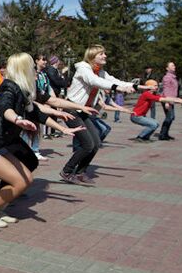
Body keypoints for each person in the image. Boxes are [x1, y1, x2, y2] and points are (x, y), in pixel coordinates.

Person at [0, 53, 84, 228]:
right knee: (20, 181)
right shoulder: (9, 87)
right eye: (32, 66)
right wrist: (16, 119)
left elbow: (38, 113)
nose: (35, 70)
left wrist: (63, 128)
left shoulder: (23, 90)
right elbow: (5, 108)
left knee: (26, 178)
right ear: (23, 69)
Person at [61, 45, 142, 184]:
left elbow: (113, 80)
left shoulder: (99, 71)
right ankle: (67, 171)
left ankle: (80, 172)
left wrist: (136, 86)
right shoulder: (83, 68)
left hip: (84, 111)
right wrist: (117, 88)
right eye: (101, 54)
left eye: (105, 53)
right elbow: (94, 81)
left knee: (96, 143)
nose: (105, 56)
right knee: (87, 144)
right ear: (92, 56)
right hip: (72, 109)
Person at [158, 61, 179, 140]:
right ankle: (162, 135)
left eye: (174, 65)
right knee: (169, 117)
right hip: (167, 100)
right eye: (172, 65)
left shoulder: (173, 76)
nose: (174, 66)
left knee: (171, 117)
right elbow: (166, 89)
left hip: (171, 100)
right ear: (167, 68)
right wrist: (166, 101)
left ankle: (165, 134)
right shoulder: (167, 77)